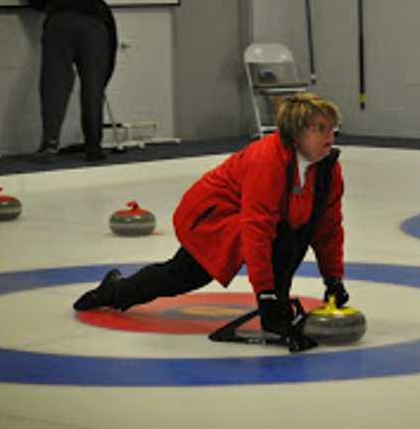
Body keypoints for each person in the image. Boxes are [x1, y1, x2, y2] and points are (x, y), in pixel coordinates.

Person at [73, 92, 349, 352]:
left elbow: (327, 228)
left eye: (332, 128)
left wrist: (333, 278)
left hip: (247, 219)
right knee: (182, 275)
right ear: (296, 134)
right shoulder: (267, 161)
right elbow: (257, 231)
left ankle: (277, 311)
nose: (330, 135)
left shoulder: (327, 169)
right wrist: (265, 296)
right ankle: (115, 291)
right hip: (211, 215)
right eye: (320, 128)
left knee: (295, 232)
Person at [23, 0, 117, 162]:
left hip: (59, 23)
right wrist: (102, 80)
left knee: (54, 86)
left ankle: (49, 146)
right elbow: (112, 41)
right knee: (92, 90)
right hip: (95, 27)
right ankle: (93, 148)